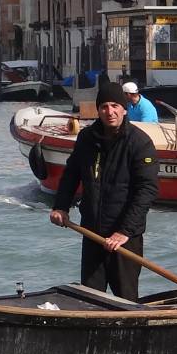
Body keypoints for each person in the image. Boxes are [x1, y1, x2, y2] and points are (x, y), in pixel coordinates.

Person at [49, 82, 159, 301]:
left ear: (125, 109)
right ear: (98, 110)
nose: (110, 112)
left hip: (125, 239)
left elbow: (146, 190)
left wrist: (124, 232)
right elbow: (71, 174)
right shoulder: (86, 138)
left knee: (126, 299)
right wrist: (61, 207)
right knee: (89, 299)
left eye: (115, 106)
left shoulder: (140, 143)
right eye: (105, 107)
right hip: (92, 233)